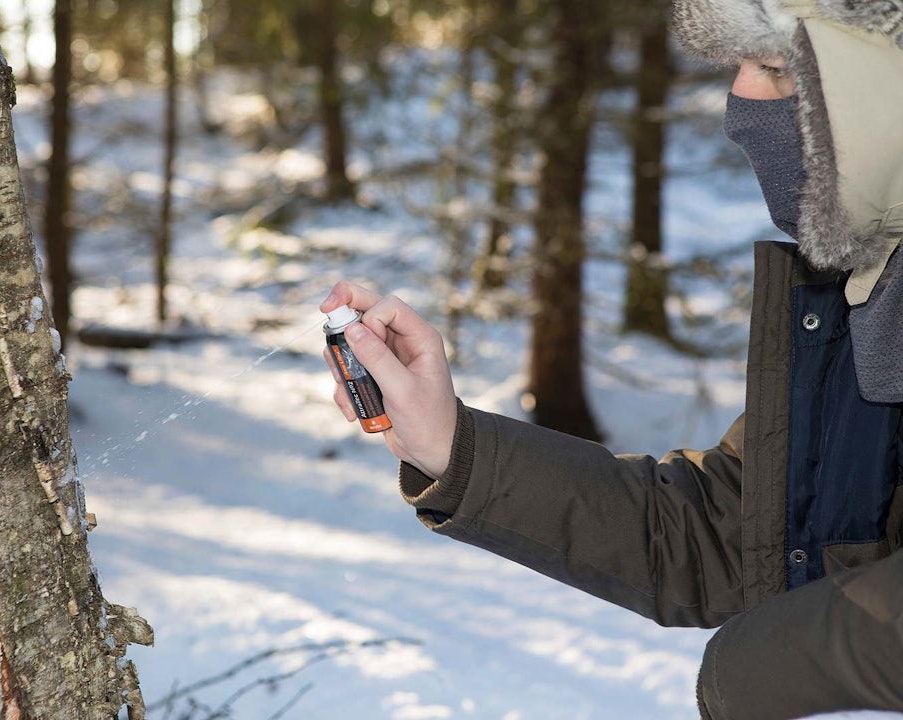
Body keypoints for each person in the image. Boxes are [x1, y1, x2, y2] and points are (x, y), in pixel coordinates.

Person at [320, 1, 903, 718]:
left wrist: (773, 666)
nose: (740, 101)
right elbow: (721, 533)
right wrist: (450, 445)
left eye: (776, 65)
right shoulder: (865, 302)